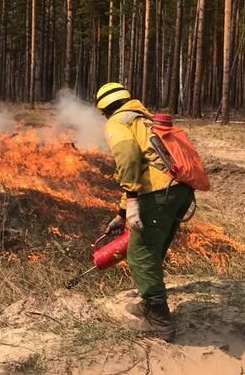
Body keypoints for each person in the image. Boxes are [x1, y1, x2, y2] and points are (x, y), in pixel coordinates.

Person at [96, 82, 193, 342]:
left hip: (158, 194)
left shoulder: (118, 122)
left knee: (141, 256)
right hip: (180, 191)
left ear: (104, 109)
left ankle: (160, 323)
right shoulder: (143, 118)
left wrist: (132, 200)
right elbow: (149, 163)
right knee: (154, 248)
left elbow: (128, 158)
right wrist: (121, 212)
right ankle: (149, 305)